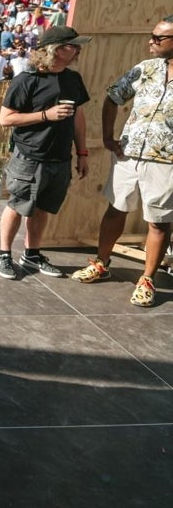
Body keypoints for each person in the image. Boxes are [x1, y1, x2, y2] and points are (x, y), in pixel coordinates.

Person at [71, 18, 173, 307]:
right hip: (128, 155)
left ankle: (148, 278)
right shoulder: (145, 68)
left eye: (158, 37)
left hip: (166, 161)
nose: (151, 41)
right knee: (115, 209)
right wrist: (107, 136)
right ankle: (102, 263)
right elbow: (113, 97)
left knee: (159, 221)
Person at [0, 26, 92, 279]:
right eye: (73, 45)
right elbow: (5, 119)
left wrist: (82, 152)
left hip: (60, 158)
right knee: (18, 205)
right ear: (56, 50)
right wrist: (45, 115)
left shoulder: (73, 79)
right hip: (30, 156)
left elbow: (79, 118)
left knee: (43, 208)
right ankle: (4, 254)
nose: (78, 49)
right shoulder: (27, 80)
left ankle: (32, 254)